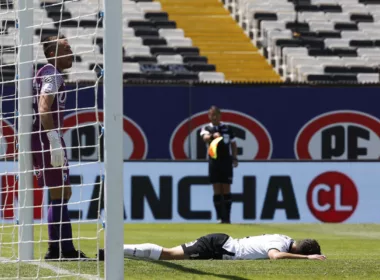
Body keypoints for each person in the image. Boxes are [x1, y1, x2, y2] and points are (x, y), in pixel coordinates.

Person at [32, 35, 88, 260]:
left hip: (43, 138)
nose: (71, 53)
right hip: (48, 138)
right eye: (66, 49)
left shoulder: (46, 73)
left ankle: (55, 249)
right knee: (60, 193)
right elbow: (43, 108)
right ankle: (66, 250)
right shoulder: (51, 75)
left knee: (62, 193)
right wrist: (54, 138)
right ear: (52, 54)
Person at [97, 233, 326, 261]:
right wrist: (307, 260)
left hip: (221, 245)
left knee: (169, 254)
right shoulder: (280, 245)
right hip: (219, 246)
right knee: (169, 254)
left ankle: (116, 250)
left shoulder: (284, 237)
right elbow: (275, 257)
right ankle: (114, 250)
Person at [200, 106, 238, 224]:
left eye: (216, 114)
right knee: (216, 189)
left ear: (220, 115)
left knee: (226, 188)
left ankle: (227, 218)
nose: (214, 117)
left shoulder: (227, 128)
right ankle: (219, 217)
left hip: (226, 161)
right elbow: (205, 138)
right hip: (214, 161)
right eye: (212, 115)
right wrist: (212, 136)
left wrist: (235, 158)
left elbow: (233, 143)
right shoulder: (206, 128)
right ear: (209, 116)